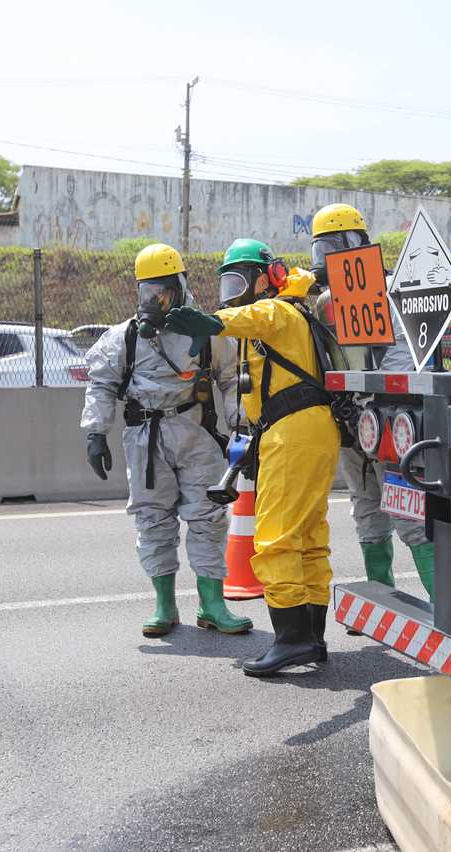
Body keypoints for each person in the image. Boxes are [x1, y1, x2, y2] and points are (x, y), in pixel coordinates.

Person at [165, 238, 341, 677]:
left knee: (277, 537)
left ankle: (293, 638)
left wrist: (209, 319)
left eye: (241, 279)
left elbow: (251, 316)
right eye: (227, 282)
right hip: (312, 429)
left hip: (294, 430)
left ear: (268, 277)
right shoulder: (292, 314)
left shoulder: (278, 311)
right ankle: (313, 635)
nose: (234, 290)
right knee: (308, 536)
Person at [81, 243, 252, 638]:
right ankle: (165, 605)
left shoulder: (207, 331)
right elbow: (102, 384)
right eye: (147, 291)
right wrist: (95, 432)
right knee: (151, 518)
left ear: (180, 285)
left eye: (163, 290)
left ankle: (212, 605)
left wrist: (241, 432)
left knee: (207, 517)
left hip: (196, 431)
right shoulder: (124, 337)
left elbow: (230, 382)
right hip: (145, 435)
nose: (155, 299)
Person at [310, 203, 434, 600]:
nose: (324, 260)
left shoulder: (393, 290)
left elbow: (403, 362)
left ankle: (442, 608)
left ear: (355, 244)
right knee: (366, 509)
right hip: (352, 423)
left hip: (390, 422)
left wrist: (376, 408)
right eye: (319, 250)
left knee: (409, 513)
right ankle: (381, 598)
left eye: (331, 247)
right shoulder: (326, 302)